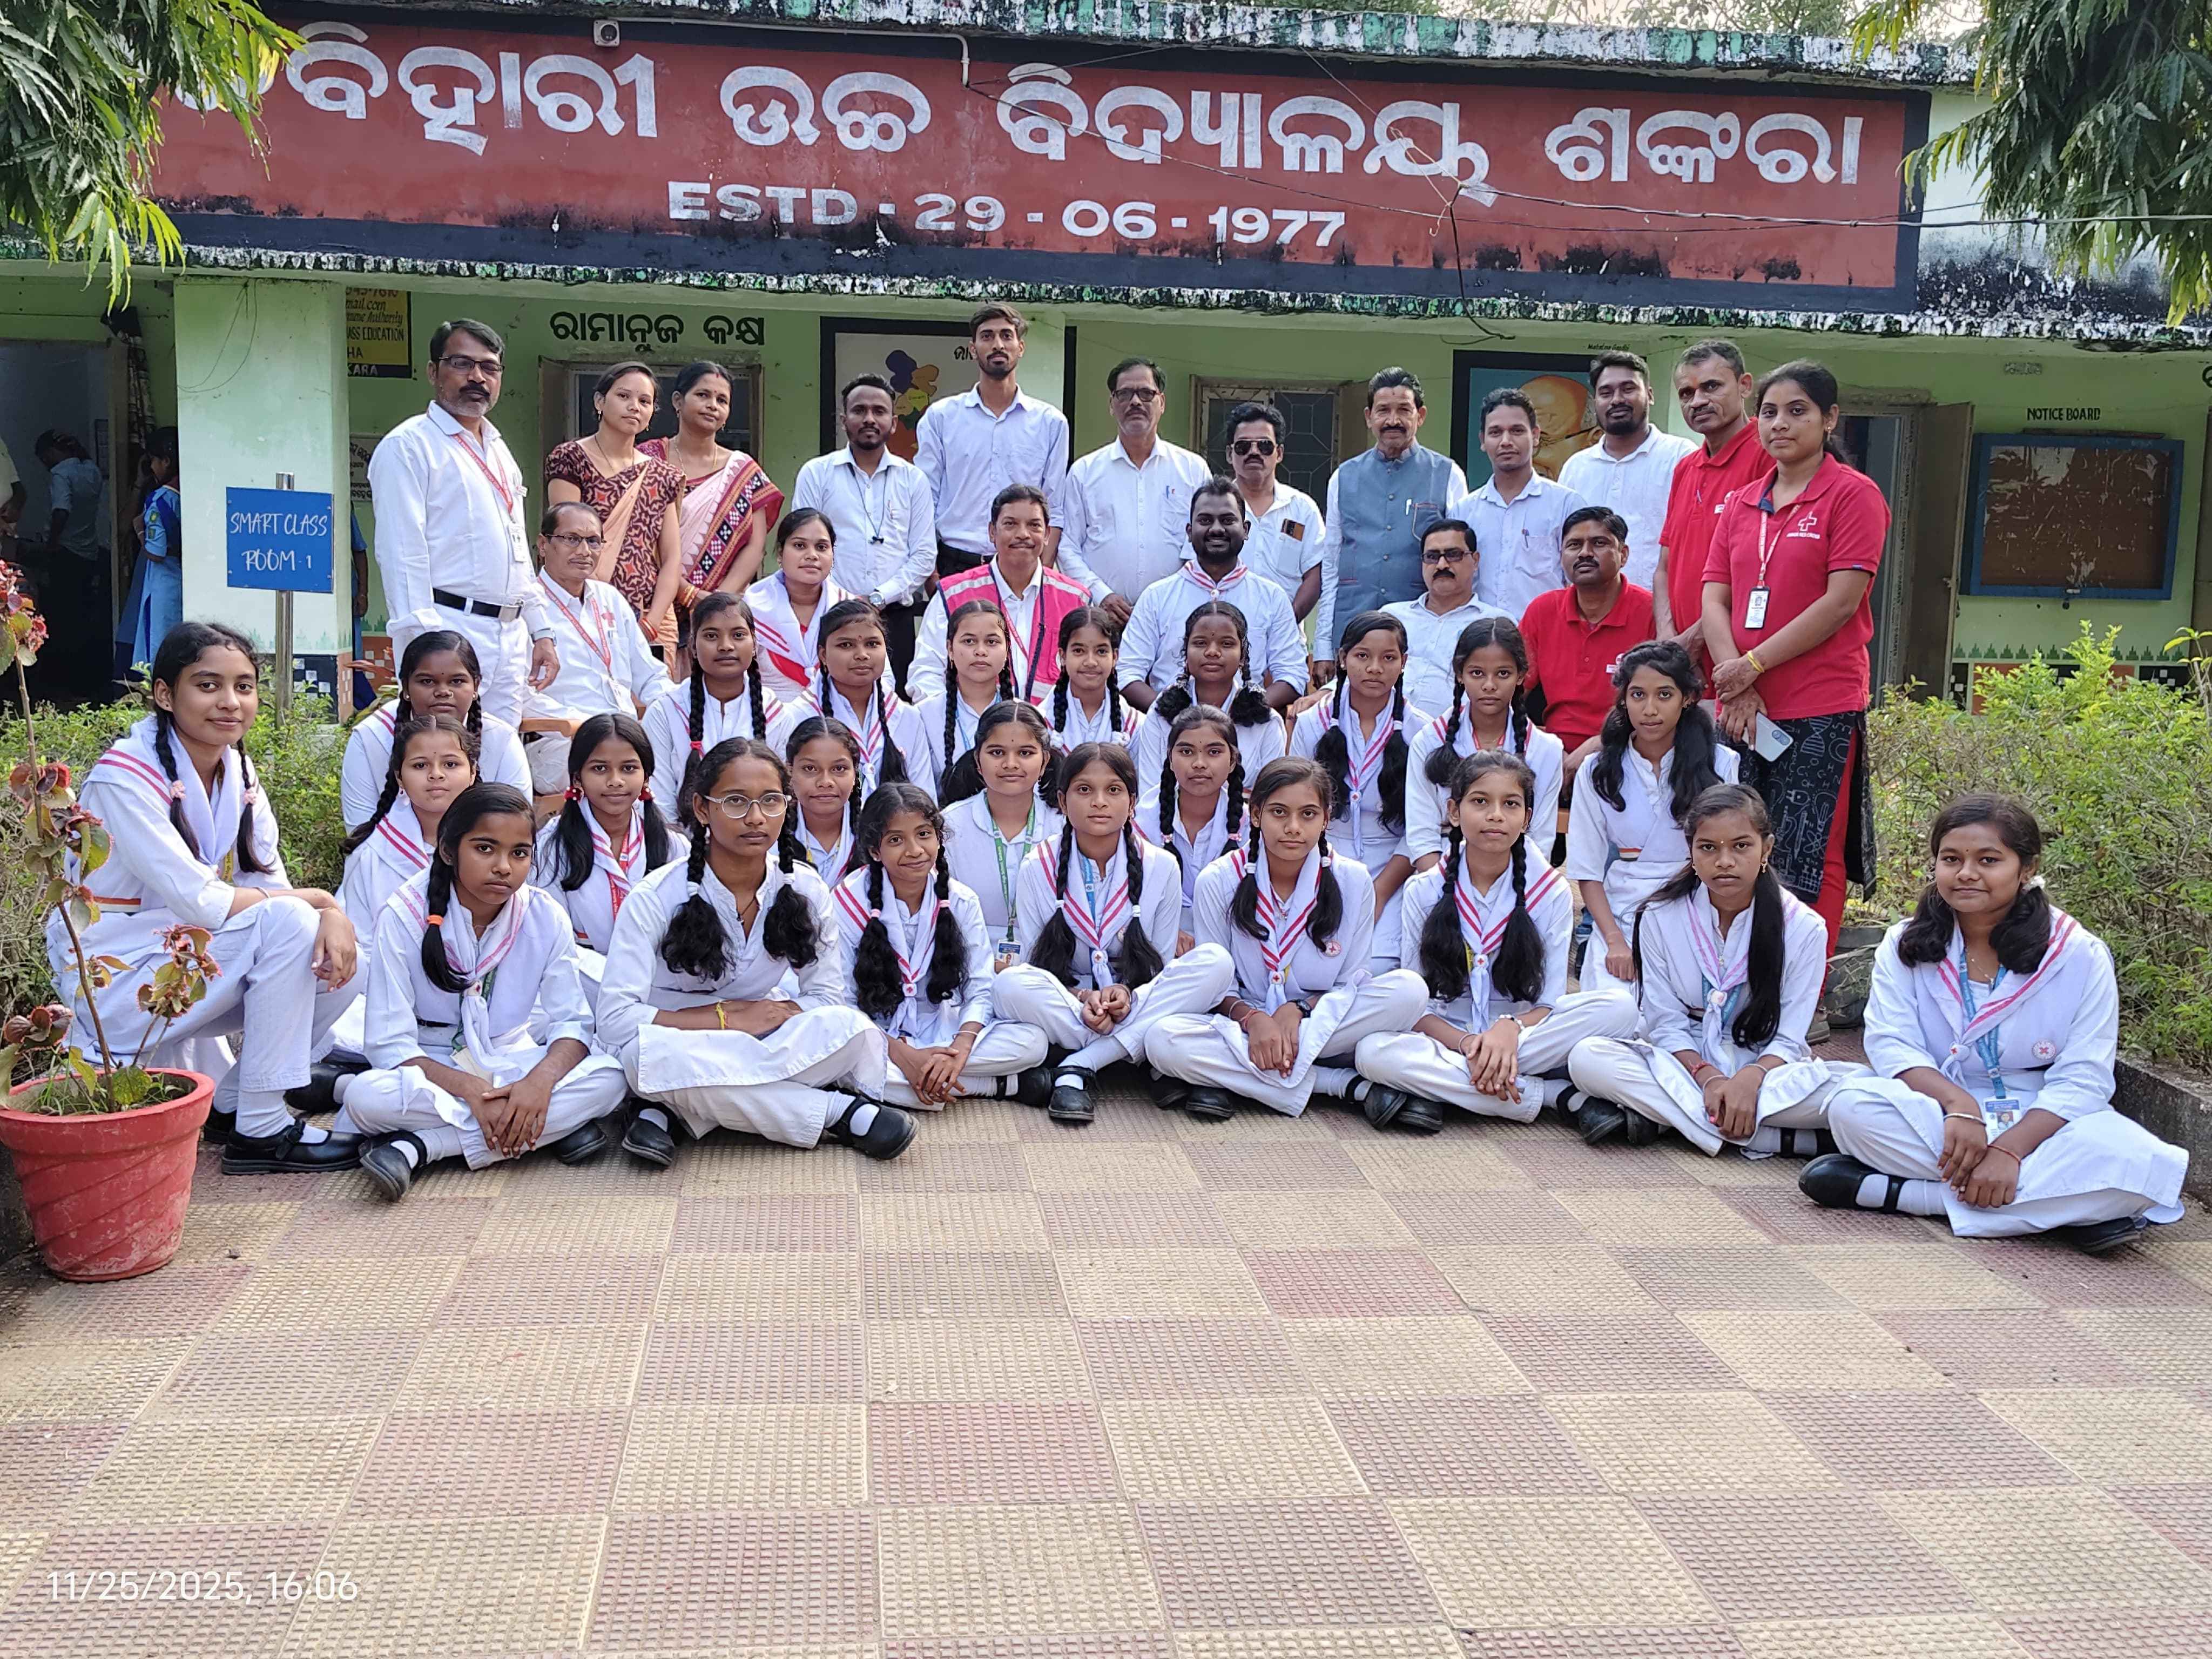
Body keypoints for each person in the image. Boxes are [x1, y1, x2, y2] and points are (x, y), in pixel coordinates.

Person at [1804, 796, 2188, 1250]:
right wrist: (1959, 1106)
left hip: (2043, 1118)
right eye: (1951, 859)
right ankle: (2069, 1210)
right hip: (1940, 1108)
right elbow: (1893, 1046)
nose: (1966, 873)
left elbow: (2084, 1077)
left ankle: (1910, 1196)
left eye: (1988, 860)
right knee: (1852, 1109)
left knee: (2139, 1163)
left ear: (2028, 869)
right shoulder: (1904, 943)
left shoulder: (2078, 953)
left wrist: (2009, 1150)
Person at [67, 623, 363, 1173]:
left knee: (347, 957)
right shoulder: (122, 778)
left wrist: (327, 917)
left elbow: (270, 885)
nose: (230, 702)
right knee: (296, 922)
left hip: (184, 964)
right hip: (117, 978)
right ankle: (262, 1129)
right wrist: (325, 900)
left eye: (244, 686)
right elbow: (203, 902)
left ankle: (233, 1103)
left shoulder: (238, 771)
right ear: (164, 694)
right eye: (208, 685)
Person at [595, 738, 908, 1166]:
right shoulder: (655, 896)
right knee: (643, 1058)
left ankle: (674, 1106)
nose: (757, 818)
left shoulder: (805, 888)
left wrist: (765, 1018)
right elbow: (615, 1019)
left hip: (762, 1032)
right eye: (736, 802)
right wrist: (725, 1018)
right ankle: (837, 1112)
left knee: (852, 1029)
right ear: (702, 809)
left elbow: (826, 997)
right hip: (677, 1035)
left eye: (771, 801)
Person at [331, 783, 629, 1200]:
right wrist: (471, 1091)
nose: (503, 867)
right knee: (367, 1098)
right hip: (431, 1062)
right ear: (449, 850)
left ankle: (421, 1147)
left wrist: (538, 1084)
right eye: (485, 849)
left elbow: (572, 1023)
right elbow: (390, 1044)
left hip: (513, 1059)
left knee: (612, 1078)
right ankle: (547, 1128)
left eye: (519, 853)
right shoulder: (404, 914)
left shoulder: (544, 915)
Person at [1702, 359, 1886, 952]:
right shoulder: (1741, 503)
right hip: (1743, 708)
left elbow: (1840, 603)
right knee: (1735, 840)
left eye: (1797, 411)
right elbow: (1715, 596)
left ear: (1830, 419)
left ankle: (1805, 983)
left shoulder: (1853, 495)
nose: (1779, 423)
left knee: (1811, 848)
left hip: (1819, 703)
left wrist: (1752, 666)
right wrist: (1736, 681)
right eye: (1769, 412)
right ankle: (1741, 970)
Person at [1354, 752, 1637, 1134]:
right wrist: (1471, 1044)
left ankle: (1453, 1086)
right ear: (1454, 812)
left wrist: (1508, 1030)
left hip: (1525, 1036)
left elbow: (1549, 1003)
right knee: (1372, 1053)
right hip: (1449, 1038)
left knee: (1620, 1008)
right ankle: (1554, 1096)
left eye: (1511, 804)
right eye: (1480, 801)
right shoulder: (1424, 889)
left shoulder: (1551, 892)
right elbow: (1416, 1003)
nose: (1496, 815)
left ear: (1527, 818)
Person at [1568, 783, 1853, 1154]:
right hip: (1685, 1064)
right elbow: (1665, 1023)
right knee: (1588, 1057)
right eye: (1708, 848)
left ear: (1766, 849)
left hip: (1766, 1070)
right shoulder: (1659, 916)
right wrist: (1708, 1077)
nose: (1725, 861)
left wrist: (1750, 1079)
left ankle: (1668, 1118)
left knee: (1854, 1092)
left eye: (1741, 846)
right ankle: (1771, 1137)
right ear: (1690, 852)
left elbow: (1789, 1038)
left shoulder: (1804, 928)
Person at [1141, 757, 1428, 1120]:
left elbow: (1350, 984)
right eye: (1279, 813)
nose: (1293, 828)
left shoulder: (1353, 880)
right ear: (1256, 815)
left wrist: (1299, 1010)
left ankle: (1246, 1074)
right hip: (1244, 1025)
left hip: (1318, 1018)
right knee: (1163, 1040)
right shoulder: (1218, 879)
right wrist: (1254, 1020)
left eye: (1308, 815)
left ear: (1326, 819)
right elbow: (1218, 988)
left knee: (1409, 991)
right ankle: (1338, 1083)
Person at [993, 744, 1238, 1122]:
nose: (1099, 802)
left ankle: (1080, 1065)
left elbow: (1157, 968)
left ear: (1133, 802)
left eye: (1113, 790)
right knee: (1010, 985)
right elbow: (1037, 967)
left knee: (1216, 963)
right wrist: (1083, 997)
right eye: (1084, 790)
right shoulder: (1036, 866)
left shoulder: (1162, 866)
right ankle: (1140, 1055)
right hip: (1074, 1004)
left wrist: (1125, 994)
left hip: (1136, 999)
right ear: (1063, 801)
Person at [367, 319, 557, 725]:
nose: (477, 377)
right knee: (443, 751)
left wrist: (541, 630)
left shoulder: (499, 450)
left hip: (509, 637)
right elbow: (402, 555)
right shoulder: (409, 446)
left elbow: (518, 549)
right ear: (433, 372)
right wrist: (425, 648)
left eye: (489, 367)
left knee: (498, 752)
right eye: (462, 364)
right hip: (448, 629)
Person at [832, 783, 1049, 1110]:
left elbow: (980, 986)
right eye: (896, 840)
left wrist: (960, 1049)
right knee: (839, 1055)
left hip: (943, 1027)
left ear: (939, 838)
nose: (915, 850)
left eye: (924, 835)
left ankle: (928, 1079)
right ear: (875, 851)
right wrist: (903, 1055)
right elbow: (843, 1002)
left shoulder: (961, 900)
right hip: (879, 1033)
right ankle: (996, 1085)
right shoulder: (848, 901)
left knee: (1034, 1043)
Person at [1563, 642, 1738, 998]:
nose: (1650, 709)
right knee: (1617, 1011)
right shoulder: (1598, 771)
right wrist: (1615, 941)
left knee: (1691, 1011)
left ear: (1687, 698)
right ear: (1624, 699)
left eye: (1664, 695)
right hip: (1622, 914)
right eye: (1638, 695)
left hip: (1698, 911)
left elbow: (1728, 858)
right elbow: (1587, 870)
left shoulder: (1720, 763)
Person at [1290, 611, 1422, 969]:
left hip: (1393, 867)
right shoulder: (1312, 724)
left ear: (1404, 662)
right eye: (1363, 656)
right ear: (1342, 659)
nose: (1375, 668)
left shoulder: (1422, 732)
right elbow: (1297, 807)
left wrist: (1379, 893)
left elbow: (1420, 830)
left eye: (1388, 658)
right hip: (1323, 860)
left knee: (1379, 967)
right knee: (1312, 964)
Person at [523, 501, 673, 808]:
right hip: (563, 742)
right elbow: (522, 695)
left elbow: (650, 676)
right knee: (628, 769)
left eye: (593, 541)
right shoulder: (527, 606)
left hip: (627, 736)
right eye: (571, 539)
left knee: (690, 749)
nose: (584, 551)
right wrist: (587, 726)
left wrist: (678, 708)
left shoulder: (609, 598)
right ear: (543, 544)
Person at [1314, 369, 1467, 672]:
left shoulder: (1447, 475)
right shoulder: (1343, 478)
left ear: (1421, 416)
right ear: (1369, 417)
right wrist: (1322, 647)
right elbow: (1331, 566)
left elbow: (1461, 566)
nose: (1393, 420)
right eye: (1383, 410)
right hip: (1352, 632)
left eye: (1404, 410)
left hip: (1422, 639)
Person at [791, 372, 938, 684]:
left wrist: (879, 598)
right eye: (859, 411)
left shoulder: (913, 480)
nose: (869, 419)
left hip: (894, 616)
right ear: (844, 420)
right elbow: (802, 546)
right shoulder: (817, 474)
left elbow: (924, 555)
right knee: (826, 699)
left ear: (893, 423)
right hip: (828, 613)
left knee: (892, 704)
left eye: (879, 411)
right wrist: (843, 598)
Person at [532, 712, 684, 1004]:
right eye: (600, 768)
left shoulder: (671, 845)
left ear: (646, 777)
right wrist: (617, 981)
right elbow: (552, 942)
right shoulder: (552, 846)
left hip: (658, 979)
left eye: (629, 768)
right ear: (577, 777)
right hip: (582, 981)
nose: (615, 781)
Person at [1118, 477, 1306, 709]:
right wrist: (1171, 716)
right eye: (1205, 520)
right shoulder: (1156, 597)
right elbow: (1127, 673)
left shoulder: (1272, 598)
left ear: (1246, 530)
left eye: (1227, 520)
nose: (1216, 529)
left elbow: (1293, 675)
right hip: (1170, 727)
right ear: (1189, 532)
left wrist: (1243, 714)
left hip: (1245, 726)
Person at [915, 304, 1070, 578]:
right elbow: (925, 500)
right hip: (954, 563)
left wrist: (1043, 573)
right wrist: (931, 574)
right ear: (973, 349)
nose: (998, 344)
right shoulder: (941, 418)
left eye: (1006, 336)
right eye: (987, 336)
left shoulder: (1050, 423)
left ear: (1020, 348)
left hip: (1024, 565)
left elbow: (1055, 507)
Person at [1056, 356, 1213, 616]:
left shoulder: (1192, 470)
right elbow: (1068, 547)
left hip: (1172, 613)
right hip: (1102, 616)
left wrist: (1174, 594)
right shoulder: (1084, 472)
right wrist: (1101, 595)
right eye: (1125, 394)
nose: (1136, 402)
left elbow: (1205, 541)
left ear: (1162, 403)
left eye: (1146, 393)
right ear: (1112, 404)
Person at [543, 361, 686, 643]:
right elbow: (566, 541)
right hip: (582, 610)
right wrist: (604, 612)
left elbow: (671, 558)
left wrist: (651, 624)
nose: (634, 407)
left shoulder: (663, 476)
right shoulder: (571, 459)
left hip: (649, 620)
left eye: (644, 401)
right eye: (623, 396)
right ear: (600, 401)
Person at [1405, 618, 1563, 871]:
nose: (1490, 685)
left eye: (1503, 674)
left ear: (1521, 676)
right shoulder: (1428, 741)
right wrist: (1448, 888)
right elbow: (1422, 838)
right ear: (1460, 674)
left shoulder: (1546, 750)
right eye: (1477, 673)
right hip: (1440, 875)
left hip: (1517, 877)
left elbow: (1539, 843)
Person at [909, 484, 1089, 704]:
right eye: (1010, 524)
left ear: (1047, 534)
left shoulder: (1075, 599)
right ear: (992, 532)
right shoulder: (954, 595)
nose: (1023, 534)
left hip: (1054, 725)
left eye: (1034, 525)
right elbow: (927, 675)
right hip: (973, 724)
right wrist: (960, 720)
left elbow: (1092, 678)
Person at [341, 631, 531, 831]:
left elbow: (517, 828)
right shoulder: (372, 738)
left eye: (457, 681)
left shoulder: (501, 739)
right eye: (427, 681)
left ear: (476, 685)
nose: (443, 692)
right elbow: (360, 831)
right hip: (389, 850)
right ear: (406, 687)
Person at [1518, 506, 1657, 771]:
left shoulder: (1650, 612)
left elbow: (1661, 703)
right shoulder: (1543, 611)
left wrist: (1601, 744)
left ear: (1624, 555)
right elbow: (1510, 692)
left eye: (1599, 543)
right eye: (1574, 545)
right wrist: (1543, 748)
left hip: (1630, 752)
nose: (1585, 553)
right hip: (1551, 754)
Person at [640, 359, 784, 612]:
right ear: (678, 401)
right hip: (648, 602)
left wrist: (716, 602)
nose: (713, 406)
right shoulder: (647, 460)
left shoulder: (743, 471)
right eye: (703, 395)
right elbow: (636, 535)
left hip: (717, 614)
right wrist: (688, 593)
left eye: (722, 400)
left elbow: (755, 547)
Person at [1655, 339, 1766, 652]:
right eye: (1686, 394)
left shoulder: (1767, 456)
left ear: (1745, 386)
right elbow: (1664, 567)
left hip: (1740, 658)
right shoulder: (1685, 468)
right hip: (1681, 659)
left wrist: (1693, 640)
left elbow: (1762, 571)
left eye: (1712, 387)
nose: (1698, 402)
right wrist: (1667, 635)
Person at [642, 591, 794, 820]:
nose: (726, 646)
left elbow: (782, 799)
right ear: (693, 646)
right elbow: (660, 805)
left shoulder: (775, 714)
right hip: (683, 839)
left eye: (738, 635)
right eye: (712, 636)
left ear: (754, 644)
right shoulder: (665, 712)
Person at [1556, 352, 1698, 592]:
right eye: (1606, 392)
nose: (1617, 400)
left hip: (1663, 606)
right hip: (1591, 607)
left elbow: (1696, 539)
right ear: (1596, 402)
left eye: (1628, 389)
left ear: (1650, 395)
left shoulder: (1681, 457)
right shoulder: (1577, 467)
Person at [939, 701, 1062, 967]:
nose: (1010, 764)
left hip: (1050, 967)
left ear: (1045, 761)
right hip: (967, 964)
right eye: (997, 752)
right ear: (978, 760)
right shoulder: (950, 825)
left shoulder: (1063, 825)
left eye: (1025, 753)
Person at [1452, 389, 1589, 622]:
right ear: (1483, 441)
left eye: (1517, 431)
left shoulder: (1566, 505)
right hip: (1478, 635)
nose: (1506, 442)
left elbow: (1580, 580)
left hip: (1546, 632)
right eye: (1495, 432)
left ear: (1535, 436)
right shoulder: (1464, 511)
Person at [339, 712, 477, 942]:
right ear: (400, 777)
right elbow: (361, 943)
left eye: (450, 764)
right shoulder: (371, 855)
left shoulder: (497, 843)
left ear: (473, 772)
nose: (436, 775)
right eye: (420, 765)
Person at [1129, 602, 1287, 786]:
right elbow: (1150, 792)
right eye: (1201, 643)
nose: (1212, 652)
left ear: (1243, 656)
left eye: (1226, 644)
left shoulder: (1266, 721)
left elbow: (1272, 795)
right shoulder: (1160, 716)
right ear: (1186, 653)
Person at [1137, 704, 1246, 947]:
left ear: (1232, 761)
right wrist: (1166, 933)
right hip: (1155, 940)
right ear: (1170, 758)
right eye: (1187, 752)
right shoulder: (1142, 822)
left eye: (1214, 752)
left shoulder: (1250, 827)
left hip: (1232, 941)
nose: (1199, 763)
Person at [746, 508, 876, 707]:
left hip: (839, 719)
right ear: (780, 553)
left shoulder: (854, 612)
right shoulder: (752, 610)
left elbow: (882, 679)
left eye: (822, 547)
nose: (812, 555)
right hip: (767, 718)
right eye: (800, 546)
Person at [1383, 518, 1508, 719]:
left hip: (1454, 732)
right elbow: (1359, 668)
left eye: (1453, 555)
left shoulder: (1496, 624)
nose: (1442, 565)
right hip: (1381, 727)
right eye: (1432, 557)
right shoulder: (1392, 617)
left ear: (1475, 560)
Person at [813, 598, 934, 794]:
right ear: (823, 655)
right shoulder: (800, 715)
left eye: (872, 644)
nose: (862, 655)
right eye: (846, 645)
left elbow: (924, 797)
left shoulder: (908, 717)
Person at [1222, 401, 1326, 629]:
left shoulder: (1302, 509)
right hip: (1222, 639)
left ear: (1279, 453)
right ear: (1230, 454)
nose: (1254, 453)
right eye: (1243, 447)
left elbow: (1316, 573)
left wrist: (1285, 624)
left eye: (1265, 446)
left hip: (1286, 641)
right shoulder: (1215, 508)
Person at [915, 599, 1021, 783]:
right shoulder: (923, 716)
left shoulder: (1025, 715)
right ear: (950, 649)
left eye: (992, 642)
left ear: (1007, 650)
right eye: (969, 641)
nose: (981, 651)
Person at [129, 427, 184, 675]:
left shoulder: (159, 499)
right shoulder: (193, 493)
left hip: (163, 584)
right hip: (185, 580)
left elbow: (156, 552)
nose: (151, 467)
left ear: (166, 461)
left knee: (159, 649)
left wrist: (139, 530)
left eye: (153, 460)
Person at [785, 714, 865, 882]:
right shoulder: (771, 836)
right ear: (790, 772)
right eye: (810, 768)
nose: (825, 782)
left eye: (839, 768)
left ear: (856, 774)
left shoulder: (876, 831)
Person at [1047, 606, 1136, 749]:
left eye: (1101, 651)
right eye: (1079, 651)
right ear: (1063, 656)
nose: (1090, 662)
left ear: (1115, 657)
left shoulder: (1134, 726)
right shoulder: (1041, 721)